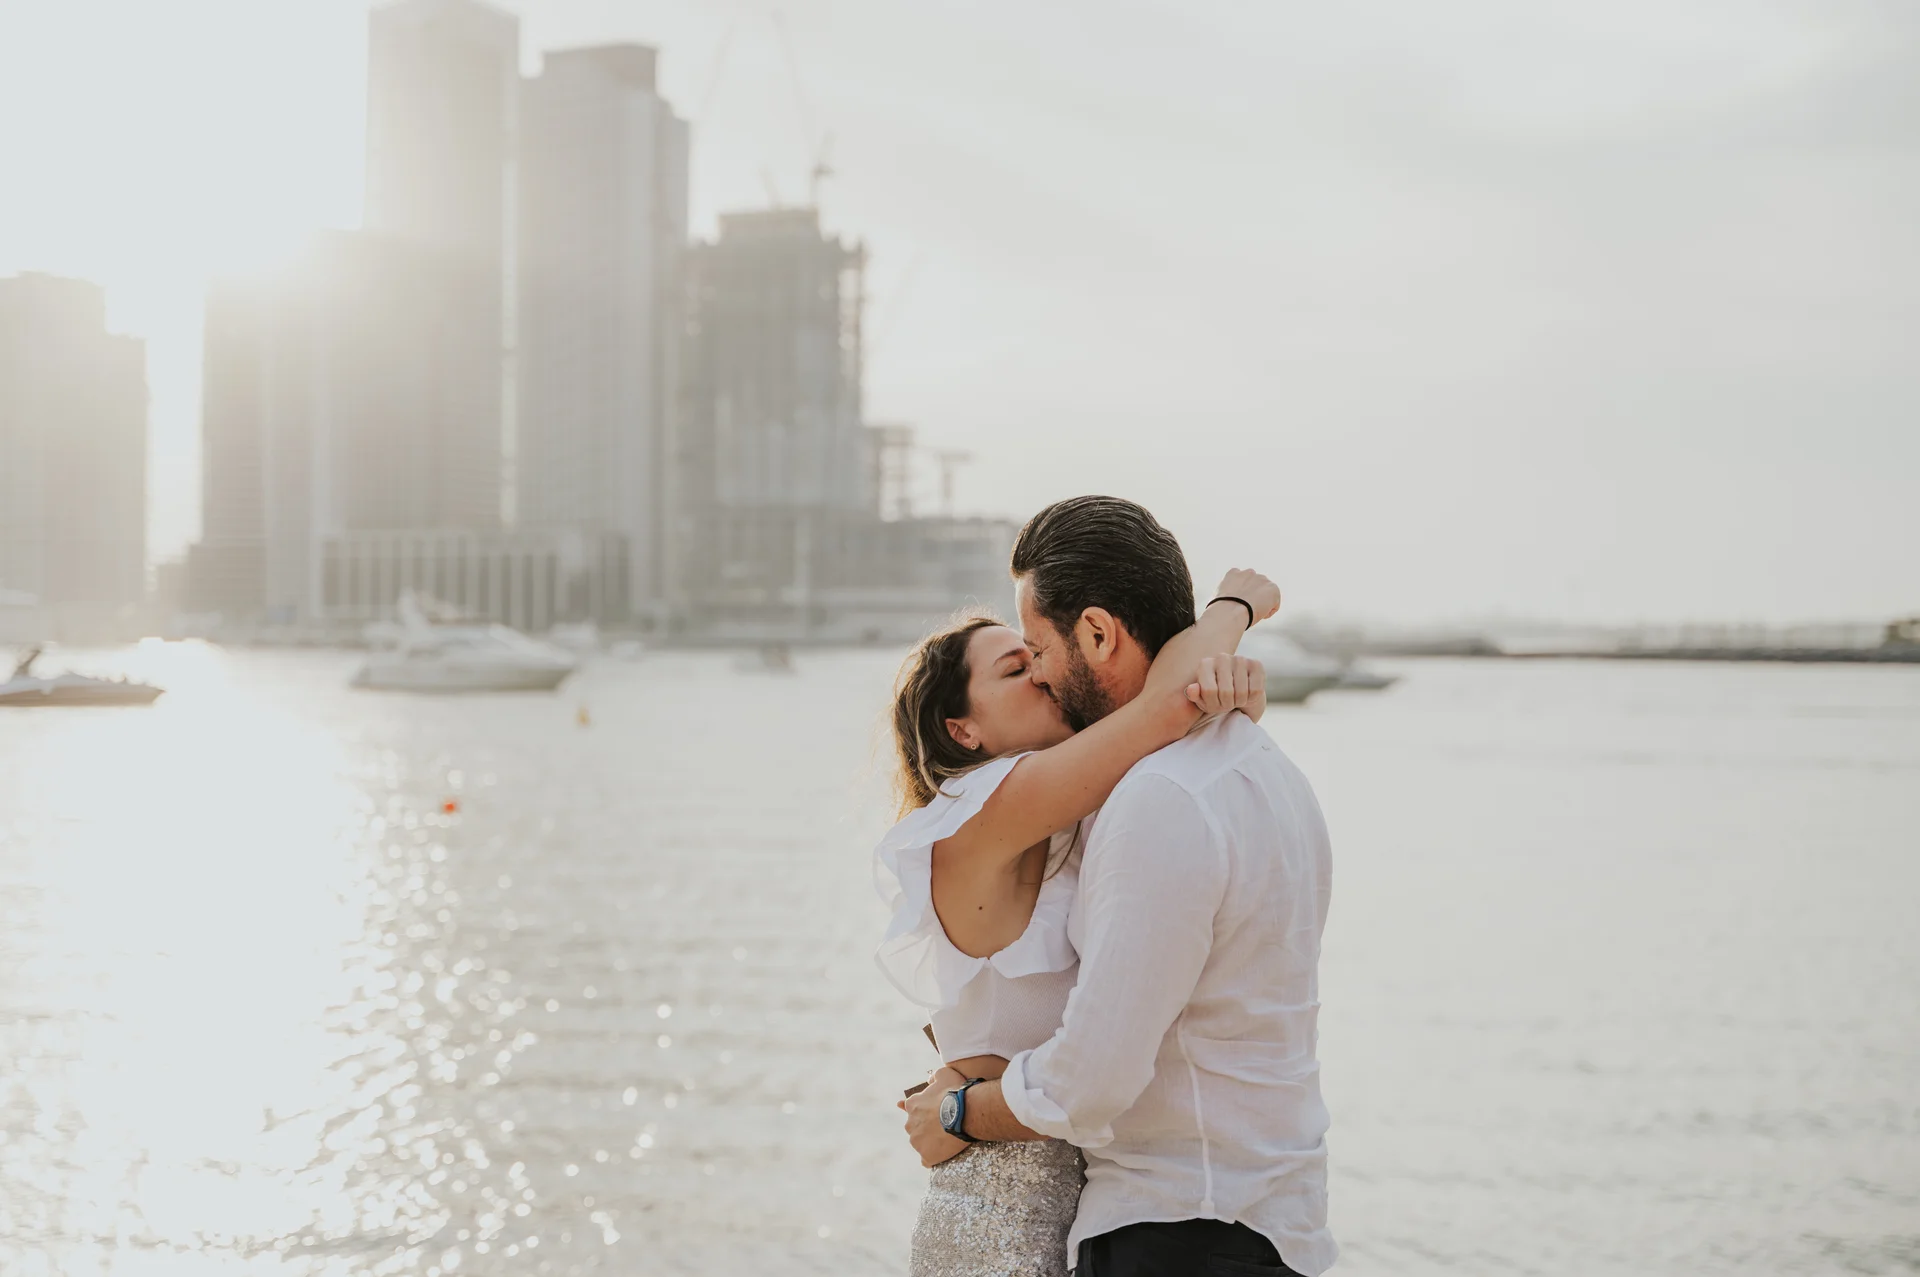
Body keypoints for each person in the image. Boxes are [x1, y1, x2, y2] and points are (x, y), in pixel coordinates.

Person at [898, 496, 1338, 1277]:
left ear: (1098, 631)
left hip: (1177, 1228)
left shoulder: (1144, 798)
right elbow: (1166, 698)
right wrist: (1229, 614)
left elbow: (1087, 1081)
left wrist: (959, 1109)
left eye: (1033, 648)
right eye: (1016, 664)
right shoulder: (1267, 773)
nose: (1036, 669)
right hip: (1239, 1219)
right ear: (960, 728)